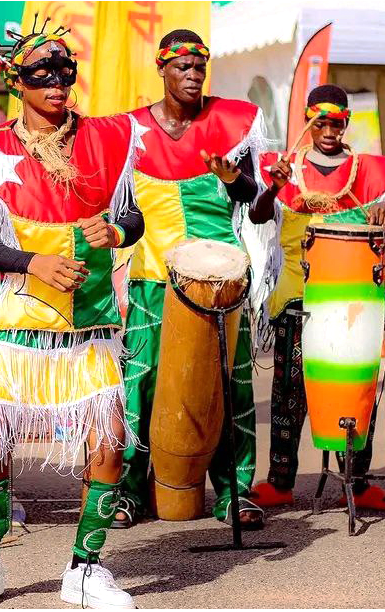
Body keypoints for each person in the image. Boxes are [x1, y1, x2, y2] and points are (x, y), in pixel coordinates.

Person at [0, 21, 145, 608]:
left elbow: (135, 219)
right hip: (13, 316)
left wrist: (117, 228)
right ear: (15, 82)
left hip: (89, 319)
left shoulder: (107, 139)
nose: (57, 83)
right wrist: (33, 262)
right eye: (40, 75)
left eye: (65, 72)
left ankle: (85, 568)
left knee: (108, 443)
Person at [237, 84, 385, 510]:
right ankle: (281, 481)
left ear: (346, 123)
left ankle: (356, 482)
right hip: (297, 295)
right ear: (308, 121)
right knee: (289, 390)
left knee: (355, 387)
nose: (329, 130)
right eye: (321, 122)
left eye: (337, 122)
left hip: (355, 300)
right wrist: (272, 188)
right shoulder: (283, 167)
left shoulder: (371, 170)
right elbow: (258, 213)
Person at [116, 28, 269, 530]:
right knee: (141, 384)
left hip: (221, 283)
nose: (193, 75)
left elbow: (254, 199)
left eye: (200, 67)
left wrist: (231, 178)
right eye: (182, 67)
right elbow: (124, 210)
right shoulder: (131, 132)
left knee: (230, 384)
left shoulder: (232, 122)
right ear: (162, 69)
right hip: (151, 280)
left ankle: (235, 491)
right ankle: (130, 493)